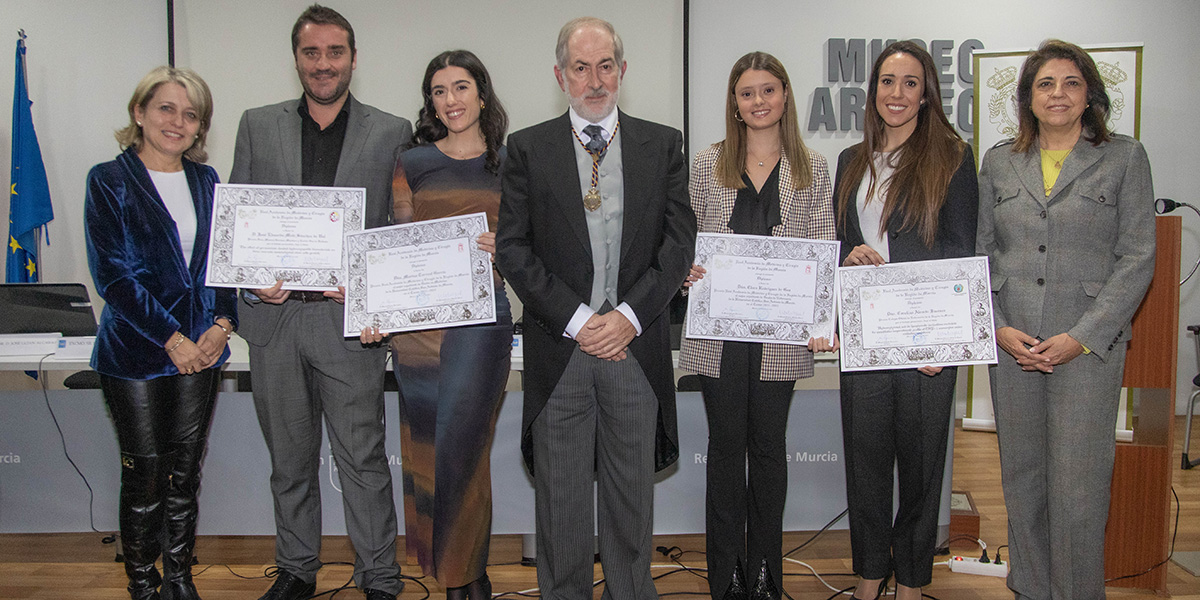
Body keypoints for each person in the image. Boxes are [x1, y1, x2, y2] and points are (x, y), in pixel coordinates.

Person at [495, 16, 696, 600]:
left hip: (634, 349)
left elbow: (678, 245)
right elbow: (513, 249)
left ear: (622, 70)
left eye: (605, 65)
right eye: (580, 68)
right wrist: (581, 321)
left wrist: (627, 318)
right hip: (561, 351)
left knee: (630, 503)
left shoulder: (663, 144)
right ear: (561, 76)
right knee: (560, 505)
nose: (595, 80)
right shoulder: (527, 149)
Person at [228, 5, 412, 600]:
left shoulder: (391, 131)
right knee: (289, 461)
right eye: (312, 52)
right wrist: (252, 280)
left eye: (335, 52)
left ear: (353, 59)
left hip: (347, 323)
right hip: (274, 320)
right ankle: (296, 570)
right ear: (297, 59)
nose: (323, 63)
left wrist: (375, 294)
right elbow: (238, 224)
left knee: (363, 459)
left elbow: (397, 230)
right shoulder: (256, 124)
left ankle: (379, 576)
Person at [977, 39, 1155, 600]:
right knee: (1023, 480)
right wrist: (996, 327)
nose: (1058, 94)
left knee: (1078, 488)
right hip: (1014, 347)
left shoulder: (1124, 157)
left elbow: (1138, 256)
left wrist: (1082, 337)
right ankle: (1030, 589)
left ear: (1089, 95)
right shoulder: (998, 161)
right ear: (1028, 97)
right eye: (1046, 84)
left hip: (1085, 351)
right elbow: (980, 254)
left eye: (1071, 83)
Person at [677, 51, 836, 600]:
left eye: (768, 90)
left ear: (785, 95)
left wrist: (822, 316)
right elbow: (683, 239)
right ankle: (726, 577)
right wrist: (685, 271)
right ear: (735, 103)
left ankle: (766, 573)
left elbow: (822, 249)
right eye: (747, 93)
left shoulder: (813, 167)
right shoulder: (706, 163)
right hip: (718, 335)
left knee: (768, 450)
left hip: (780, 339)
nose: (759, 101)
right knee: (725, 450)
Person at [359, 49, 510, 600]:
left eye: (461, 87)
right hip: (418, 333)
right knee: (426, 450)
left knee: (464, 452)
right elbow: (397, 246)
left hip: (482, 326)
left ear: (482, 95)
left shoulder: (512, 163)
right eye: (439, 91)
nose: (451, 100)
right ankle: (459, 575)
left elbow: (535, 245)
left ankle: (465, 578)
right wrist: (375, 311)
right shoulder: (413, 162)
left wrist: (507, 250)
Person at [833, 40, 979, 600]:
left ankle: (913, 581)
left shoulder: (953, 157)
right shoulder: (851, 159)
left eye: (910, 83)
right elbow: (841, 240)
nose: (897, 93)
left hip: (927, 342)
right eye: (887, 82)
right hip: (867, 338)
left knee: (920, 468)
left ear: (926, 94)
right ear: (873, 91)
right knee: (865, 464)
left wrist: (944, 340)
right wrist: (849, 254)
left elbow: (961, 249)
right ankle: (870, 574)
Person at [85, 65, 236, 600]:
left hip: (203, 351)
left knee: (185, 474)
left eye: (190, 114)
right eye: (166, 108)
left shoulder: (208, 181)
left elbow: (223, 263)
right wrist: (173, 339)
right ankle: (143, 584)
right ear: (140, 112)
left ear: (200, 126)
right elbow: (113, 276)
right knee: (146, 476)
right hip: (136, 354)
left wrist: (223, 325)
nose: (178, 122)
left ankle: (179, 578)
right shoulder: (108, 179)